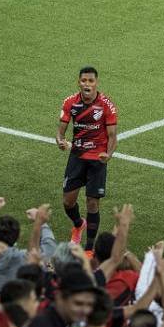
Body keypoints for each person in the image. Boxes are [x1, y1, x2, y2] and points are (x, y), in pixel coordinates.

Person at [56, 66, 117, 254]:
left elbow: (113, 135)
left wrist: (108, 154)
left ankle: (89, 249)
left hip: (97, 159)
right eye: (84, 81)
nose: (87, 84)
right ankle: (78, 224)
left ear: (96, 82)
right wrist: (60, 142)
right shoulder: (70, 103)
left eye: (91, 81)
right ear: (79, 82)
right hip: (77, 156)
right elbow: (60, 132)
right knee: (68, 201)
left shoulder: (107, 105)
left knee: (92, 202)